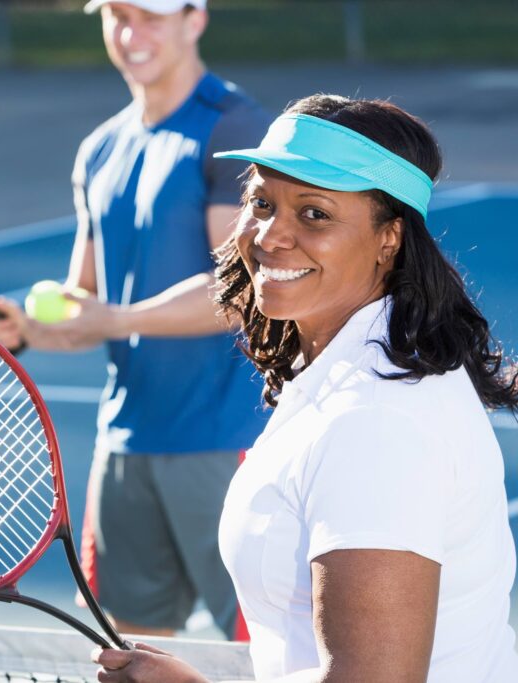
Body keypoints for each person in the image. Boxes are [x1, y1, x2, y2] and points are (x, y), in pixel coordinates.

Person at [93, 94, 518, 682]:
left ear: (389, 238)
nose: (271, 236)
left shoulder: (374, 423)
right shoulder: (357, 370)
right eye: (261, 202)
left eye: (314, 213)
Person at [0, 0, 270, 638]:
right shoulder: (100, 149)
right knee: (127, 652)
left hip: (226, 441)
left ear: (195, 20)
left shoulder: (233, 127)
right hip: (124, 445)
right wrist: (22, 326)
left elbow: (239, 290)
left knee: (262, 651)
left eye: (151, 18)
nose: (132, 35)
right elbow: (84, 302)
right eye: (117, 16)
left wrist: (115, 317)